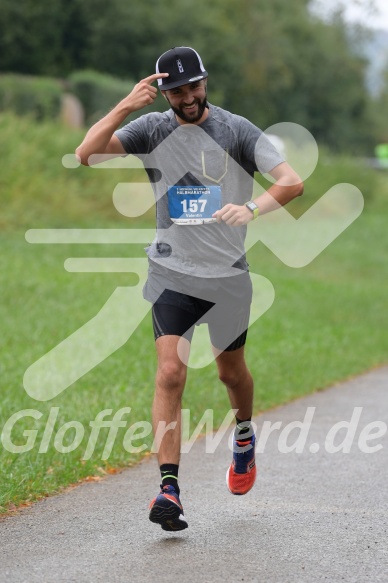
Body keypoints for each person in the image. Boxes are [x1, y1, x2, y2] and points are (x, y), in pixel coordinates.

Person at [76, 46, 303, 532]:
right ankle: (169, 489)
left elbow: (291, 181)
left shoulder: (237, 129)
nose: (188, 97)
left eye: (194, 86)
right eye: (176, 91)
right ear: (164, 93)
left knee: (231, 374)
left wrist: (253, 209)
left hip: (226, 276)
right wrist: (123, 107)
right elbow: (86, 154)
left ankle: (243, 435)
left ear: (205, 83)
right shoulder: (152, 129)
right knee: (170, 374)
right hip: (171, 273)